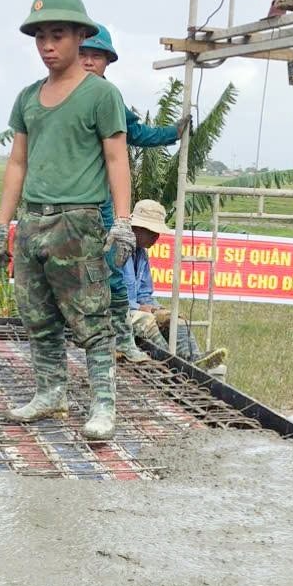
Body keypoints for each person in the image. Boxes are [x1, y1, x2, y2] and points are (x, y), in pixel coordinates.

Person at [0, 0, 134, 443]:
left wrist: (123, 222)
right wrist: (3, 224)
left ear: (79, 37)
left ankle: (103, 403)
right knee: (38, 315)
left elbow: (116, 159)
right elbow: (17, 163)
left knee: (91, 317)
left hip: (78, 221)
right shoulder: (29, 98)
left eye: (57, 35)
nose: (48, 45)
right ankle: (51, 391)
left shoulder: (100, 95)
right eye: (40, 37)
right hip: (34, 222)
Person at [79, 24, 189, 365]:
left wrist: (172, 133)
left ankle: (120, 337)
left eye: (95, 56)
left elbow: (135, 133)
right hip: (66, 197)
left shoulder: (109, 99)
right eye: (83, 55)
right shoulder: (59, 95)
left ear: (107, 62)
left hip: (100, 198)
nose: (88, 62)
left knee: (113, 260)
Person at [124, 199, 228, 372]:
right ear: (137, 228)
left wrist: (155, 308)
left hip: (134, 309)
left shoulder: (141, 255)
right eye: (152, 232)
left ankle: (193, 359)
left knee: (174, 319)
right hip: (114, 312)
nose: (156, 237)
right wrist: (141, 308)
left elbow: (144, 292)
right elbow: (111, 294)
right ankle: (171, 366)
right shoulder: (117, 250)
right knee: (147, 321)